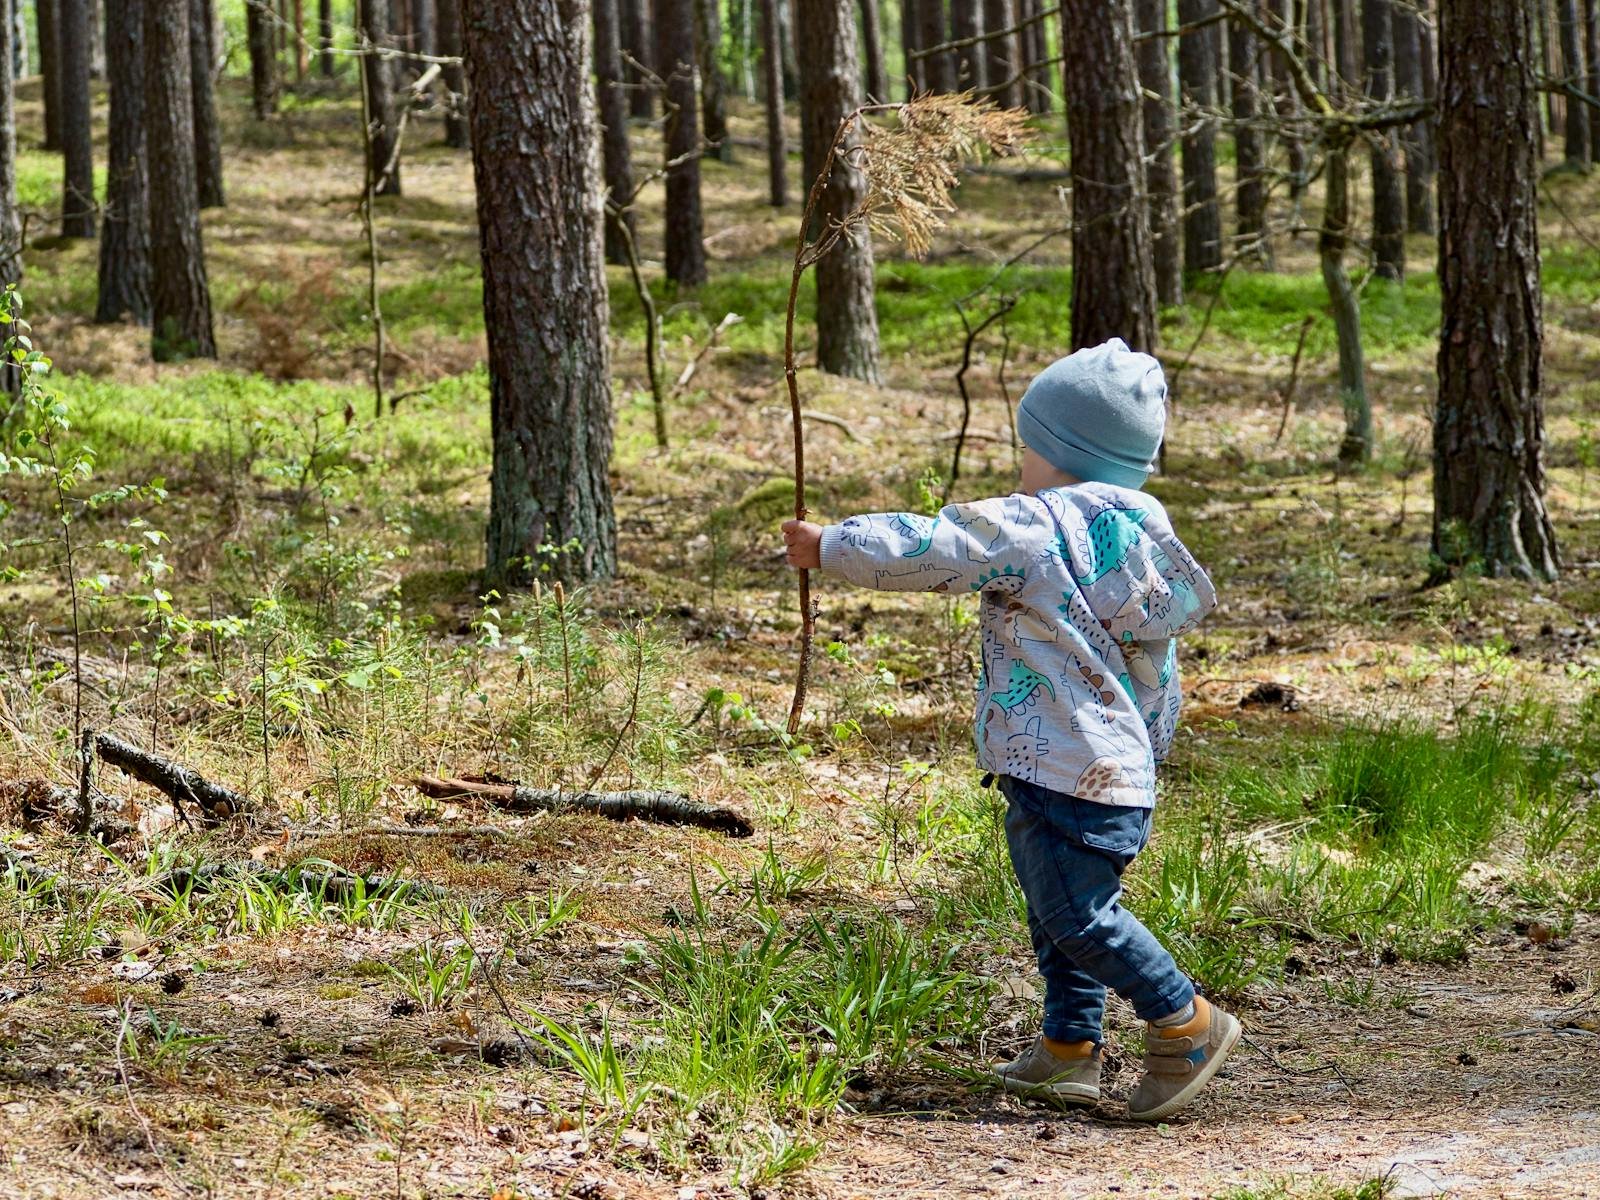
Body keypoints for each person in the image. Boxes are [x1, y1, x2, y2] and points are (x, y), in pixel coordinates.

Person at [781, 338, 1239, 1120]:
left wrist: (833, 545)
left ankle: (1185, 1019)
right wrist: (1143, 763)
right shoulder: (1142, 538)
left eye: (1028, 448)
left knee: (1076, 916)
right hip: (1110, 770)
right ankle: (1068, 1048)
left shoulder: (1038, 523)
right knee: (1057, 913)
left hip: (1064, 763)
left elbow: (938, 545)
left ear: (1061, 453)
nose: (1022, 464)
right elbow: (1153, 672)